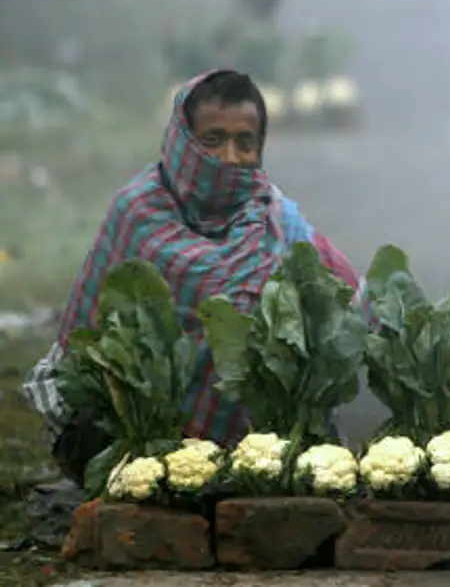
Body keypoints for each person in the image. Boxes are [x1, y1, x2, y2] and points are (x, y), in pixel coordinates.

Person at [21, 69, 373, 488]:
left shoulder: (274, 216)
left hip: (256, 443)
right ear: (183, 140)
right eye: (213, 140)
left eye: (245, 143)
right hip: (133, 433)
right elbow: (87, 341)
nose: (229, 157)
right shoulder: (138, 212)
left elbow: (350, 295)